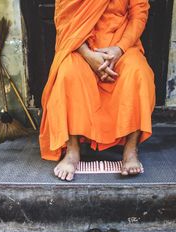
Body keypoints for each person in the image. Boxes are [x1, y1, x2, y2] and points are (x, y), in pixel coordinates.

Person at [39, 0, 156, 181]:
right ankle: (72, 151)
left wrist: (119, 49)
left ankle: (130, 151)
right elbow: (64, 20)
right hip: (80, 48)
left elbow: (139, 13)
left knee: (138, 73)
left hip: (120, 48)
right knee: (68, 73)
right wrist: (88, 55)